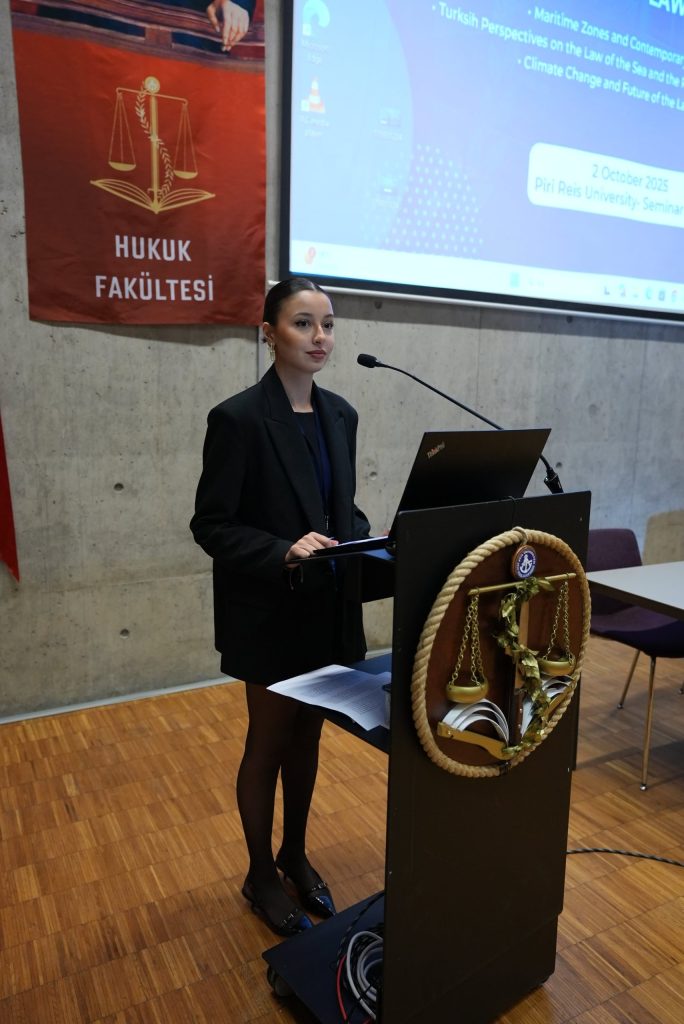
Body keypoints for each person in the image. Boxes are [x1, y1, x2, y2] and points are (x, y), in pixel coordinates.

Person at [190, 277, 371, 936]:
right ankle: (260, 873)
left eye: (328, 324)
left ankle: (295, 853)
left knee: (309, 739)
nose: (320, 337)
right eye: (303, 323)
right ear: (269, 333)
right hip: (268, 612)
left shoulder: (341, 414)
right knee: (267, 742)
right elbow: (212, 525)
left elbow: (339, 507)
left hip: (327, 609)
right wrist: (281, 550)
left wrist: (365, 533)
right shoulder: (238, 419)